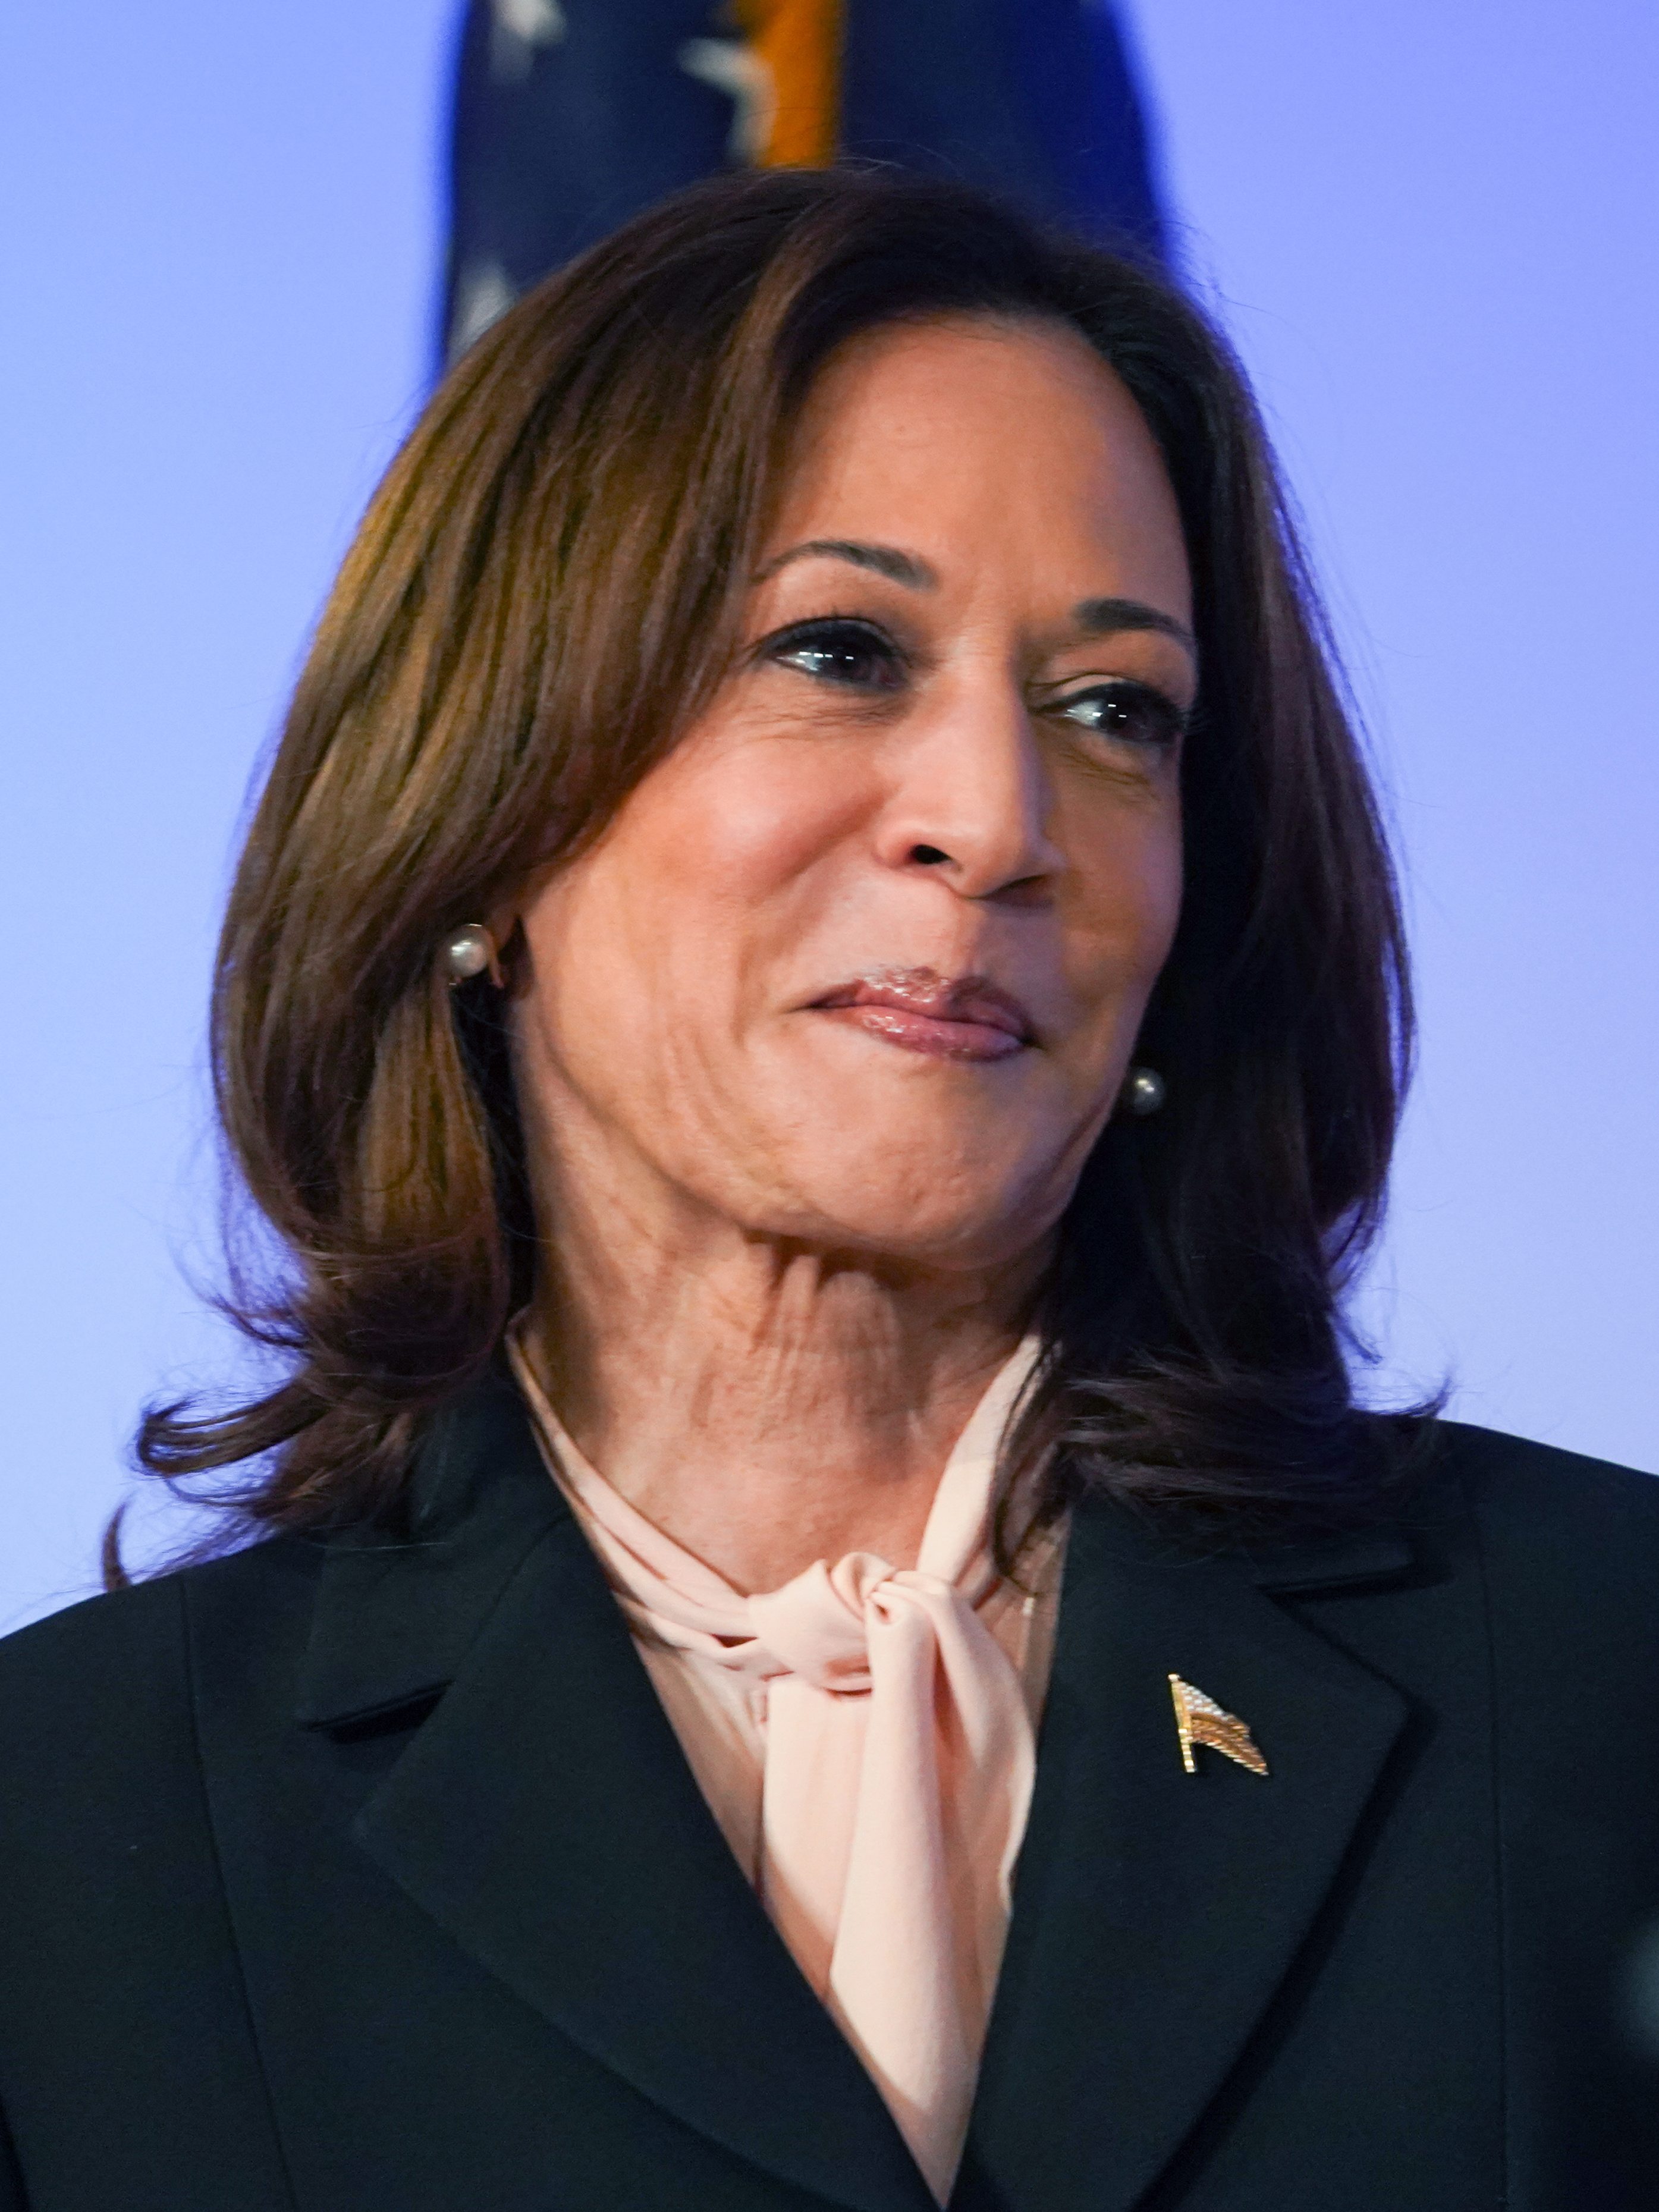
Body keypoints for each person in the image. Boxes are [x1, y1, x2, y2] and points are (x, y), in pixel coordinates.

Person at [0, 166, 1654, 2212]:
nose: (998, 817)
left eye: (1116, 708)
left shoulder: (1609, 1677)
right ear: (484, 818)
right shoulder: (68, 1837)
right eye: (840, 649)